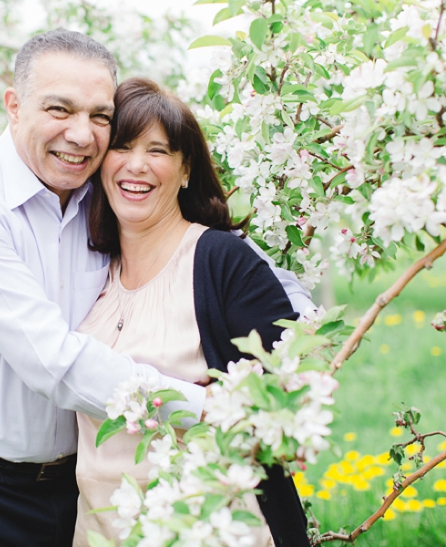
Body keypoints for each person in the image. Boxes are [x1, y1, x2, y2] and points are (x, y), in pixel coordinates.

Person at [0, 29, 313, 546]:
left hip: (84, 491)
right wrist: (210, 409)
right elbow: (55, 361)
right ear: (14, 105)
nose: (82, 135)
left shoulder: (99, 199)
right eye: (60, 109)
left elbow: (237, 261)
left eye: (101, 117)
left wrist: (300, 349)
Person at [73, 78, 311, 547]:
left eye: (158, 151)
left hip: (215, 529)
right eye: (121, 146)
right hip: (100, 531)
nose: (136, 165)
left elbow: (291, 393)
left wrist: (225, 399)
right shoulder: (90, 268)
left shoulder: (221, 260)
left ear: (185, 171)